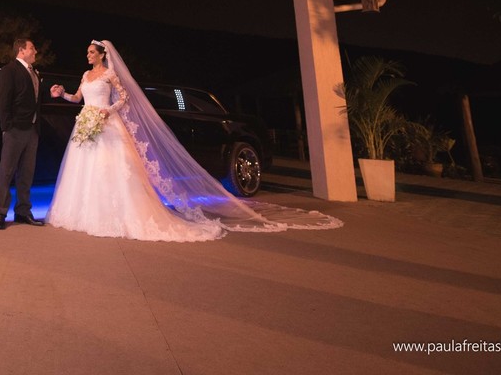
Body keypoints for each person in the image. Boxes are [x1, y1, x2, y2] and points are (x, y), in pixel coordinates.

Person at [47, 40, 343, 240]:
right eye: (86, 52)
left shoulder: (111, 75)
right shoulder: (86, 76)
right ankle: (86, 213)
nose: (86, 55)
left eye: (90, 51)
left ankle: (117, 214)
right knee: (85, 172)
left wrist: (106, 113)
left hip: (106, 124)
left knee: (115, 172)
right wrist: (63, 94)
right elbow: (77, 98)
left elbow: (124, 98)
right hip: (87, 126)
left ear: (101, 53)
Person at [0, 38, 46, 230]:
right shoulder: (10, 70)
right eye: (32, 48)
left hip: (32, 130)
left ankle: (23, 211)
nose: (35, 51)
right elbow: (3, 101)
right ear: (22, 50)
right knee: (6, 171)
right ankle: (0, 213)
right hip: (15, 129)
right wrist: (6, 127)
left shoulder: (34, 73)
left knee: (26, 173)